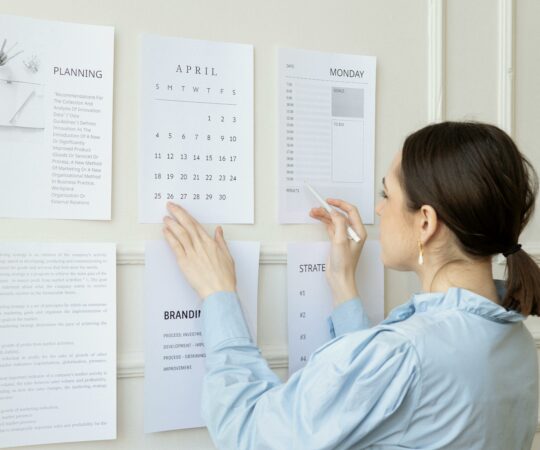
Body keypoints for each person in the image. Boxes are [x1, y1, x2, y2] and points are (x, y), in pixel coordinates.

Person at [162, 121, 540, 449]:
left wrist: (218, 294)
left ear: (425, 222)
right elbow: (394, 407)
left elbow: (249, 432)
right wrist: (343, 284)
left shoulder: (404, 355)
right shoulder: (515, 341)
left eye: (386, 194)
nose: (378, 209)